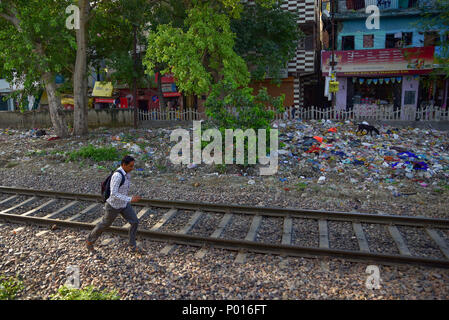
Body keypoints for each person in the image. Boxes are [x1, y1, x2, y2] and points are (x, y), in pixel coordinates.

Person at [86, 156, 144, 254]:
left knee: (134, 222)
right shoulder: (117, 175)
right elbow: (114, 193)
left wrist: (127, 199)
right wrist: (130, 199)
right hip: (113, 205)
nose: (132, 168)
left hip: (123, 204)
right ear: (123, 165)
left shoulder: (127, 174)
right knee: (105, 224)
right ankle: (89, 240)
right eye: (130, 166)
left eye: (133, 166)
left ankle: (132, 245)